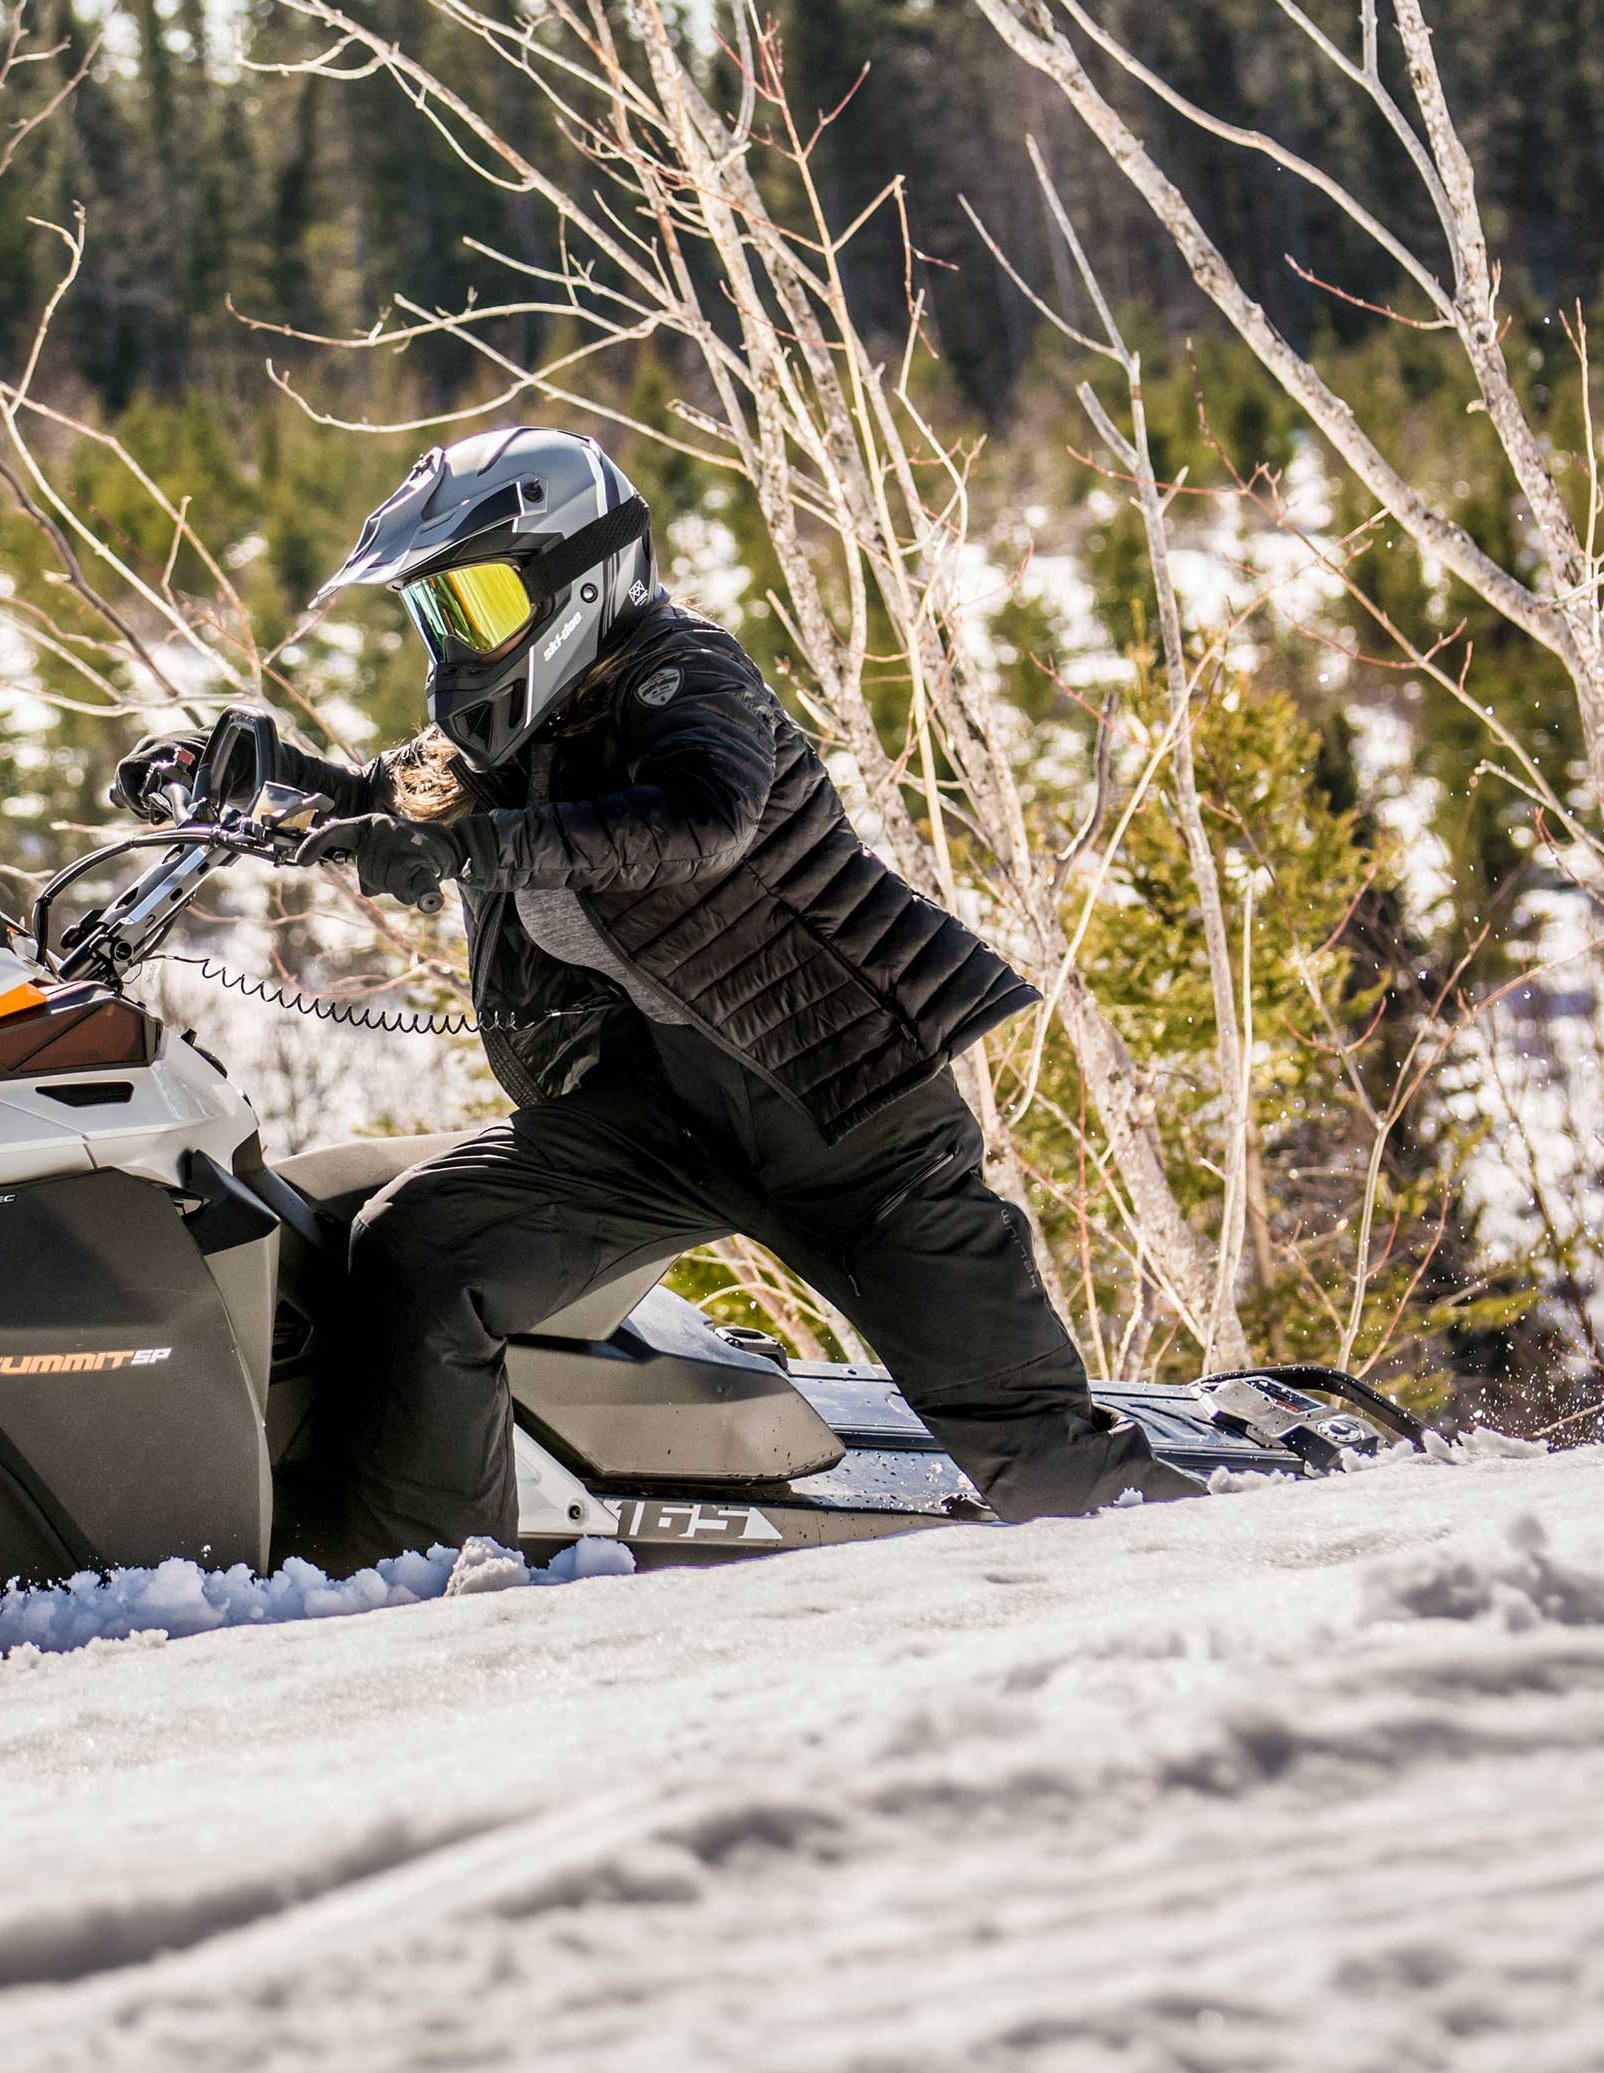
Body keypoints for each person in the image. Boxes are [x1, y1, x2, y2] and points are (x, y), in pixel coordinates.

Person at [111, 427, 1199, 1563]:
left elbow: (701, 820)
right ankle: (414, 1577)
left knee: (1045, 1466)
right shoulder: (520, 725)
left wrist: (468, 852)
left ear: (576, 579)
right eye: (437, 613)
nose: (456, 637)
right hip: (662, 1114)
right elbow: (391, 798)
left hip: (843, 1117)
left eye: (477, 602)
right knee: (421, 1255)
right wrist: (253, 775)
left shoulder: (684, 675)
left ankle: (1279, 1567)